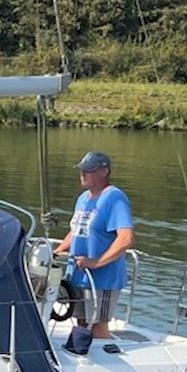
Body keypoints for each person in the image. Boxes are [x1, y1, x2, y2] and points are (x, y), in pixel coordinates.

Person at [54, 151, 134, 353]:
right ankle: (82, 357)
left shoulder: (115, 198)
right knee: (81, 321)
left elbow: (125, 238)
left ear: (104, 172)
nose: (83, 174)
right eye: (82, 170)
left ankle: (109, 358)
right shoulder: (83, 199)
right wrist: (58, 250)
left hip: (102, 277)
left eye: (89, 170)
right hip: (78, 274)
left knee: (97, 325)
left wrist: (97, 262)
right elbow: (77, 230)